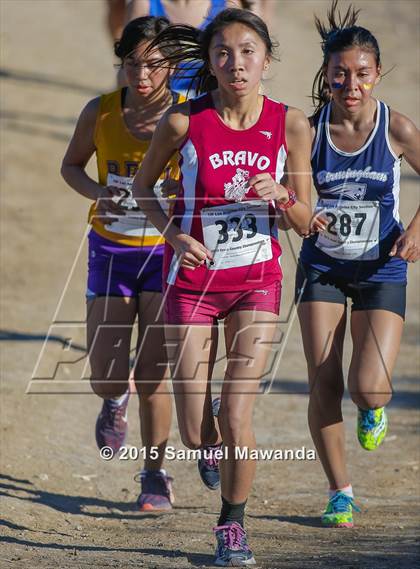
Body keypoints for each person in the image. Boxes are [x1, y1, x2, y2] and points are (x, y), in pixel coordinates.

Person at [132, 8, 313, 565]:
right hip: (192, 283)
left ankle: (232, 527)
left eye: (248, 52)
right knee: (195, 432)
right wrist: (174, 238)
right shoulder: (185, 122)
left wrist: (281, 196)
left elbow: (306, 220)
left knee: (239, 415)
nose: (236, 64)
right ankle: (203, 420)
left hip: (257, 280)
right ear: (209, 63)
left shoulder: (291, 123)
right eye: (223, 53)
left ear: (267, 59)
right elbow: (143, 188)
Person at [295, 0, 420, 529]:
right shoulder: (304, 129)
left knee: (368, 385)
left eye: (362, 74)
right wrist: (295, 211)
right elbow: (295, 201)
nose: (351, 84)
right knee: (323, 380)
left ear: (377, 74)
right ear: (326, 74)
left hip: (381, 267)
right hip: (322, 267)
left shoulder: (398, 129)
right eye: (341, 73)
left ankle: (372, 406)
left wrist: (417, 229)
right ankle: (339, 491)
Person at [61, 16, 185, 512]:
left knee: (155, 374)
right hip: (110, 249)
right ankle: (115, 399)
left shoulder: (187, 115)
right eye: (133, 63)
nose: (143, 74)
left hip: (163, 251)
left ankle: (154, 475)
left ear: (172, 65)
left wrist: (182, 194)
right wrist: (96, 193)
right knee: (107, 375)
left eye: (154, 64)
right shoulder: (101, 112)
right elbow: (70, 165)